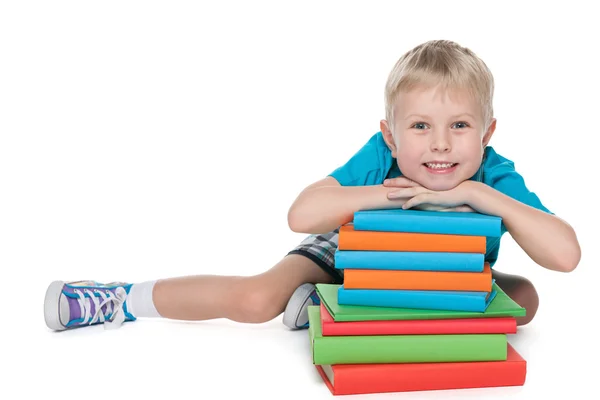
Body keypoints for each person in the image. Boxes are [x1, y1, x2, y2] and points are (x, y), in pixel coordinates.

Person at [43, 39, 581, 332]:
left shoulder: (492, 173)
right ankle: (121, 300)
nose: (440, 145)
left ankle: (330, 308)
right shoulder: (382, 158)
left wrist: (479, 196)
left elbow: (564, 255)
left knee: (525, 299)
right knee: (257, 298)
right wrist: (391, 192)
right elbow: (302, 214)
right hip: (347, 255)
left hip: (439, 278)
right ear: (390, 135)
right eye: (420, 127)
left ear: (486, 133)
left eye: (459, 127)